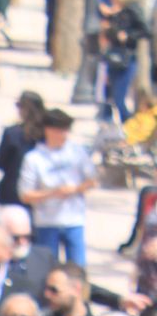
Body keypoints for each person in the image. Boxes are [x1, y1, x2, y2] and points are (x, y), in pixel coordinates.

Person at [18, 107, 97, 267]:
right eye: (60, 130)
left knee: (77, 266)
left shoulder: (77, 151)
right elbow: (25, 195)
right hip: (47, 221)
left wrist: (75, 189)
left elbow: (92, 180)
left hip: (73, 219)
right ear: (48, 130)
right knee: (46, 267)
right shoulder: (33, 158)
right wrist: (52, 193)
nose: (64, 135)